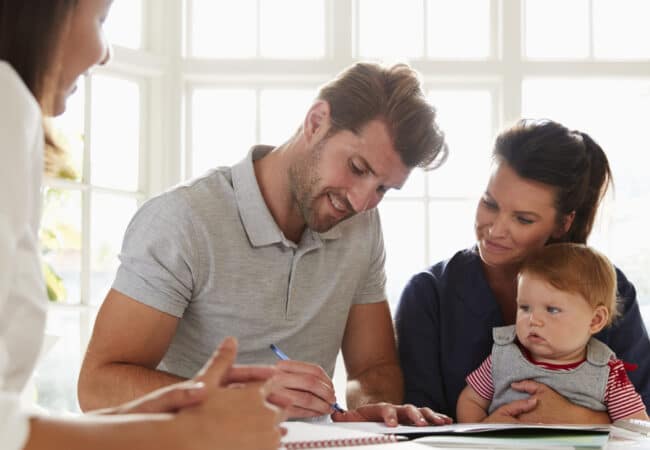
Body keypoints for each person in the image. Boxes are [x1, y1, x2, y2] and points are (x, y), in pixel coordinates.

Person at [76, 60, 452, 426]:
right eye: (357, 168)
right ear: (316, 121)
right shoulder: (184, 219)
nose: (361, 201)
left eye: (383, 188)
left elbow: (373, 368)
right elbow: (97, 386)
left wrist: (370, 409)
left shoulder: (363, 226)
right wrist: (236, 397)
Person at [0, 1, 286, 449]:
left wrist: (132, 421)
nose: (104, 54)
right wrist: (182, 435)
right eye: (99, 21)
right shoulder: (6, 102)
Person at [396, 118, 650, 423]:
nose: (495, 230)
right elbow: (418, 424)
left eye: (524, 219)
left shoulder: (609, 289)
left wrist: (573, 416)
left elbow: (641, 421)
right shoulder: (429, 294)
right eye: (490, 204)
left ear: (562, 224)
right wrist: (485, 433)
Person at [457, 243, 649, 423]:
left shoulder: (608, 372)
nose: (533, 320)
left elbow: (636, 426)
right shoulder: (503, 356)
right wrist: (484, 429)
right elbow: (470, 400)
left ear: (595, 320)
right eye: (525, 307)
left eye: (552, 310)